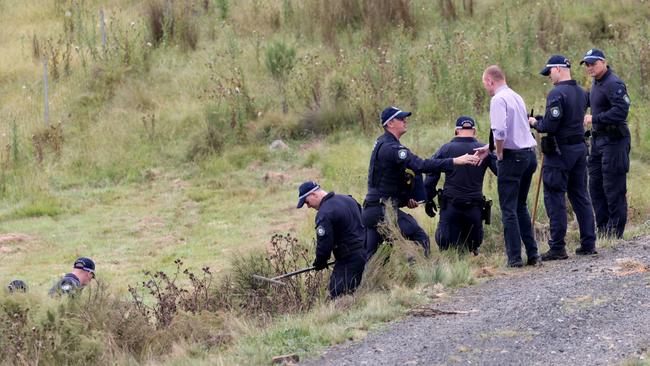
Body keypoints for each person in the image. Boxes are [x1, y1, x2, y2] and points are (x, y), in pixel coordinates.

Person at [363, 106, 480, 259]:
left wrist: (406, 200)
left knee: (375, 256)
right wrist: (455, 161)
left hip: (372, 210)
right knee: (420, 237)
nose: (405, 120)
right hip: (382, 211)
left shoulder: (382, 142)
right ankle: (423, 274)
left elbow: (387, 181)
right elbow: (421, 165)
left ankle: (366, 281)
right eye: (401, 118)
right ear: (390, 124)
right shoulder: (392, 148)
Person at [529, 55, 597, 260]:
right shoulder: (582, 92)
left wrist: (535, 122)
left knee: (554, 196)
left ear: (558, 69)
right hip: (579, 149)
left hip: (560, 153)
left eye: (549, 71)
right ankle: (588, 243)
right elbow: (566, 118)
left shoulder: (556, 93)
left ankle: (557, 246)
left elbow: (550, 125)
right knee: (580, 196)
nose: (549, 76)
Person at [476, 65, 540, 267]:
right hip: (529, 155)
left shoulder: (498, 99)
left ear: (489, 81)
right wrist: (489, 148)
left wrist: (500, 153)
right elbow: (519, 129)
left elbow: (501, 131)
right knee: (521, 205)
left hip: (513, 158)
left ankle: (514, 258)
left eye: (485, 84)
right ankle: (533, 253)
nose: (486, 89)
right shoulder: (516, 96)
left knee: (508, 209)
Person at [424, 116, 497, 254]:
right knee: (472, 246)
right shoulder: (484, 151)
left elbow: (431, 175)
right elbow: (500, 171)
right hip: (474, 209)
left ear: (456, 131)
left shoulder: (445, 149)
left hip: (451, 208)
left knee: (446, 246)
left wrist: (428, 198)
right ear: (474, 131)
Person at [581, 48, 631, 238]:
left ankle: (615, 232)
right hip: (598, 140)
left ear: (603, 62)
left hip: (615, 140)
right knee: (595, 185)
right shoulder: (596, 82)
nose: (589, 67)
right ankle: (602, 230)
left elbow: (621, 111)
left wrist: (595, 118)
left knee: (613, 186)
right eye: (587, 64)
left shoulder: (613, 83)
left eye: (593, 63)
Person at [297, 181, 367, 298]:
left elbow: (324, 244)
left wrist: (320, 262)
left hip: (349, 259)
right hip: (366, 252)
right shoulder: (348, 199)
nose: (308, 206)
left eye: (307, 202)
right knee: (357, 292)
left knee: (336, 295)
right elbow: (364, 221)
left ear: (314, 195)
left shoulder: (324, 213)